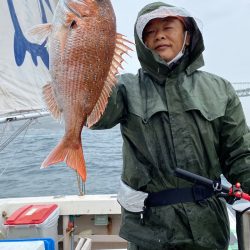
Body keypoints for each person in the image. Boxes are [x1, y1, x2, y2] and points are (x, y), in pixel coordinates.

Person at [91, 2, 250, 249]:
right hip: (149, 231)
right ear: (142, 42)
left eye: (168, 27)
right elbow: (94, 116)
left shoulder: (220, 90)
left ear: (187, 37)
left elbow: (240, 155)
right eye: (150, 32)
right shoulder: (124, 89)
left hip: (208, 229)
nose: (160, 35)